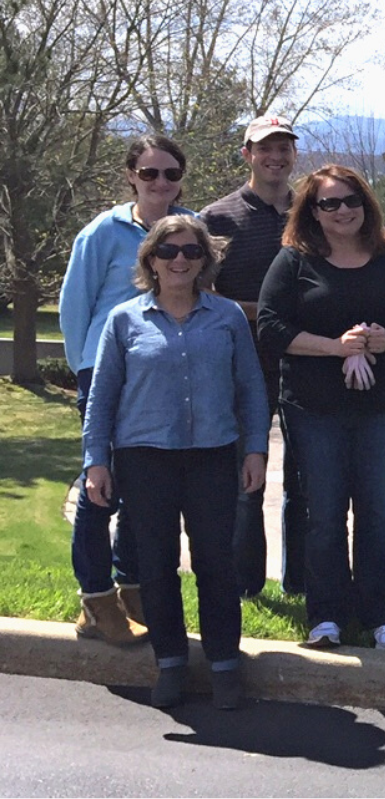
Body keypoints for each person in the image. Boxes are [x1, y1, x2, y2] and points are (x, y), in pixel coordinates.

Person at [81, 216, 269, 708]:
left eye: (190, 250)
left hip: (212, 455)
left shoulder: (226, 316)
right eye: (168, 251)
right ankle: (170, 663)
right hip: (145, 459)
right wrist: (96, 461)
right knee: (156, 565)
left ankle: (224, 663)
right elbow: (102, 398)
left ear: (205, 260)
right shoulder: (125, 320)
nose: (179, 259)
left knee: (216, 563)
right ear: (151, 260)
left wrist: (255, 450)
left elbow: (251, 389)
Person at [257, 164, 385, 651]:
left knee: (377, 513)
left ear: (366, 204)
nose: (342, 211)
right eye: (329, 203)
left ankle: (380, 616)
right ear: (312, 210)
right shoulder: (294, 262)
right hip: (314, 411)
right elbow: (271, 329)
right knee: (325, 514)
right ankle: (326, 616)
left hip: (379, 410)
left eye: (350, 200)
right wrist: (339, 348)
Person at [58, 134, 196, 644]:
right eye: (149, 173)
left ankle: (132, 588)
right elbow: (75, 308)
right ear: (130, 176)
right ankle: (95, 600)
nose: (160, 183)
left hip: (161, 375)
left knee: (145, 489)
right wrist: (85, 372)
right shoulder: (101, 233)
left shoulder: (189, 229)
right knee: (100, 487)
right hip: (106, 372)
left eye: (170, 174)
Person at [201, 114, 303, 597]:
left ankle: (302, 582)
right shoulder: (218, 218)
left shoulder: (313, 211)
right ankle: (245, 585)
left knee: (307, 481)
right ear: (247, 154)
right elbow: (201, 292)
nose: (275, 157)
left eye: (284, 148)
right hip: (242, 365)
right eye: (265, 148)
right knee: (247, 478)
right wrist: (268, 315)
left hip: (307, 362)